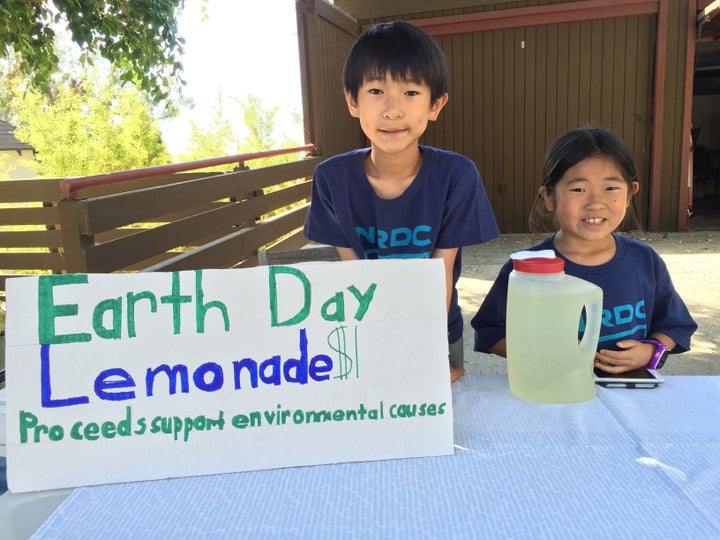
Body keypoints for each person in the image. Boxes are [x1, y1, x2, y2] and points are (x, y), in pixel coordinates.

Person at [303, 21, 500, 382]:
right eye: (376, 90)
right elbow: (354, 278)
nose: (393, 110)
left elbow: (440, 274)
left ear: (435, 104)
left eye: (411, 93)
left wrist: (422, 355)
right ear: (352, 101)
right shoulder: (331, 179)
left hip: (437, 332)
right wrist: (377, 347)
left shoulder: (456, 176)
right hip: (365, 334)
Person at [471, 126, 697, 374]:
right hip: (553, 392)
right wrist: (546, 352)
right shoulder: (527, 269)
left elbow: (673, 325)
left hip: (628, 390)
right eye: (578, 189)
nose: (596, 203)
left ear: (630, 194)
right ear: (548, 197)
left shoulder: (644, 260)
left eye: (610, 188)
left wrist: (651, 351)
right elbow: (491, 332)